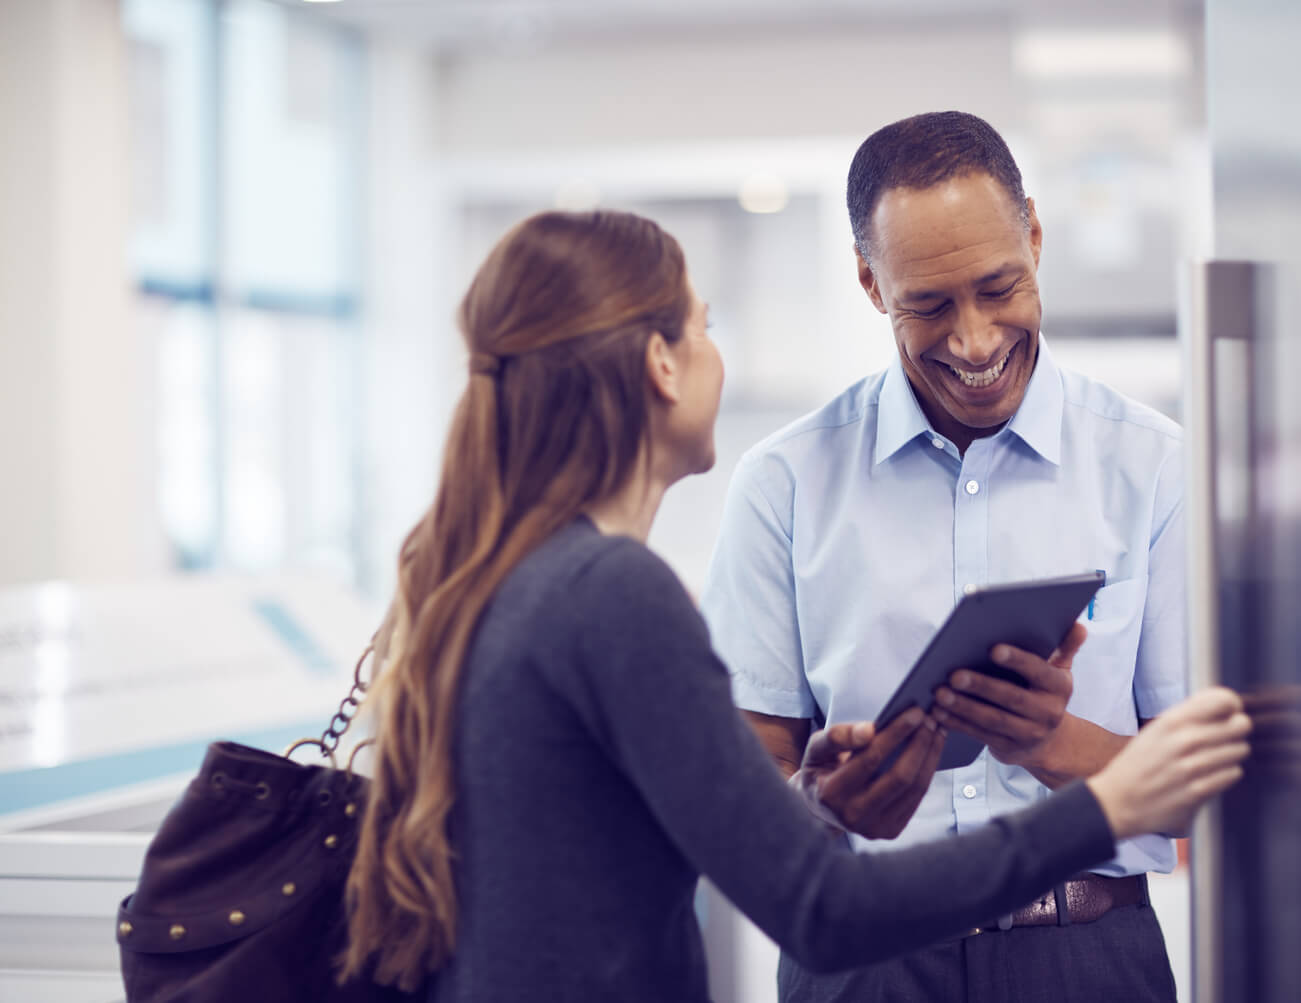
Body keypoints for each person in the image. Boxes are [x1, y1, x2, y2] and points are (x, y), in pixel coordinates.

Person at [336, 209, 1249, 1002]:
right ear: (661, 363)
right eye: (703, 326)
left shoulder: (527, 580)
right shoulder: (614, 592)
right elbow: (823, 909)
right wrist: (1106, 804)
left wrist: (812, 802)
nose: (714, 355)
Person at [700, 110, 1193, 1001]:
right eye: (927, 304)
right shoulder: (784, 482)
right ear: (870, 283)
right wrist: (816, 803)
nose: (973, 340)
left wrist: (1051, 740)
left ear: (1035, 237)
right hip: (862, 962)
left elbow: (1195, 783)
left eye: (999, 286)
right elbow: (741, 781)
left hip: (1087, 957)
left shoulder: (1151, 465)